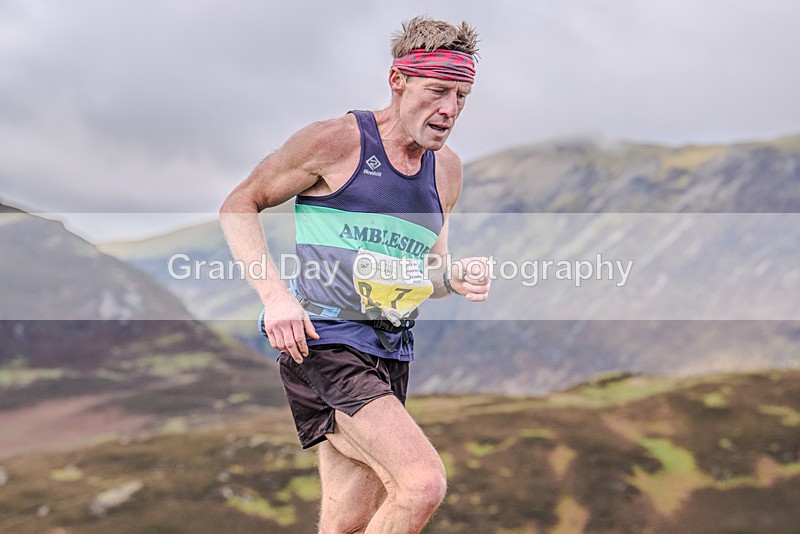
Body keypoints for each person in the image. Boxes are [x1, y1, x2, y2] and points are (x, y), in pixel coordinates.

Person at [220, 16, 491, 534]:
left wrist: (454, 278)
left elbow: (427, 274)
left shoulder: (447, 171)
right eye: (437, 91)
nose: (449, 110)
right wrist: (276, 297)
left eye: (462, 95)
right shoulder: (335, 142)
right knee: (421, 484)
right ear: (398, 81)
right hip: (325, 343)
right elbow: (238, 204)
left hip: (391, 351)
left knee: (346, 524)